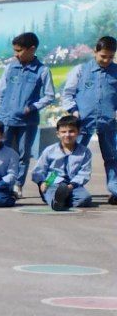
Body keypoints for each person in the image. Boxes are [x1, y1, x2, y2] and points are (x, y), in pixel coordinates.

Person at [0, 31, 56, 185]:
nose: (16, 54)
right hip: (5, 118)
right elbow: (1, 92)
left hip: (27, 122)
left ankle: (18, 185)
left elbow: (49, 96)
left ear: (32, 49)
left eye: (19, 51)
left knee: (23, 154)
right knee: (1, 152)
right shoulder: (10, 68)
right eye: (15, 50)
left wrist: (33, 107)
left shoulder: (42, 71)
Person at [60, 36, 115, 202]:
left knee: (113, 157)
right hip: (82, 124)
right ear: (95, 52)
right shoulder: (80, 70)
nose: (106, 60)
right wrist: (74, 112)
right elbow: (67, 94)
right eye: (103, 56)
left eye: (111, 57)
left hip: (109, 124)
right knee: (74, 155)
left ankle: (115, 189)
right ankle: (66, 188)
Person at [32, 114, 94, 210]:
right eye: (63, 132)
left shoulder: (85, 152)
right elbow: (39, 169)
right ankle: (55, 200)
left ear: (78, 132)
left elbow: (84, 173)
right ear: (58, 134)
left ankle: (61, 199)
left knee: (85, 198)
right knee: (51, 192)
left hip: (73, 184)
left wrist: (71, 186)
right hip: (52, 180)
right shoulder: (50, 150)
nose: (67, 135)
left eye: (71, 131)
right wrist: (41, 183)